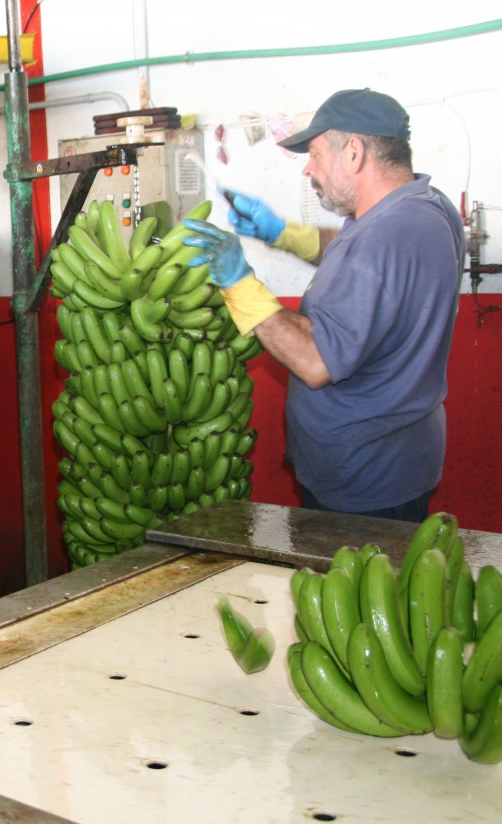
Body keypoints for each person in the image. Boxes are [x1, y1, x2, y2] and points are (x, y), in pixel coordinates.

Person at [181, 88, 464, 522]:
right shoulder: (424, 208)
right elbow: (359, 258)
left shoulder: (384, 236)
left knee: (355, 588)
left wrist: (240, 283)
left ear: (354, 152)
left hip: (366, 476)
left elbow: (316, 362)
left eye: (314, 154)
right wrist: (282, 233)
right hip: (400, 452)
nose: (308, 170)